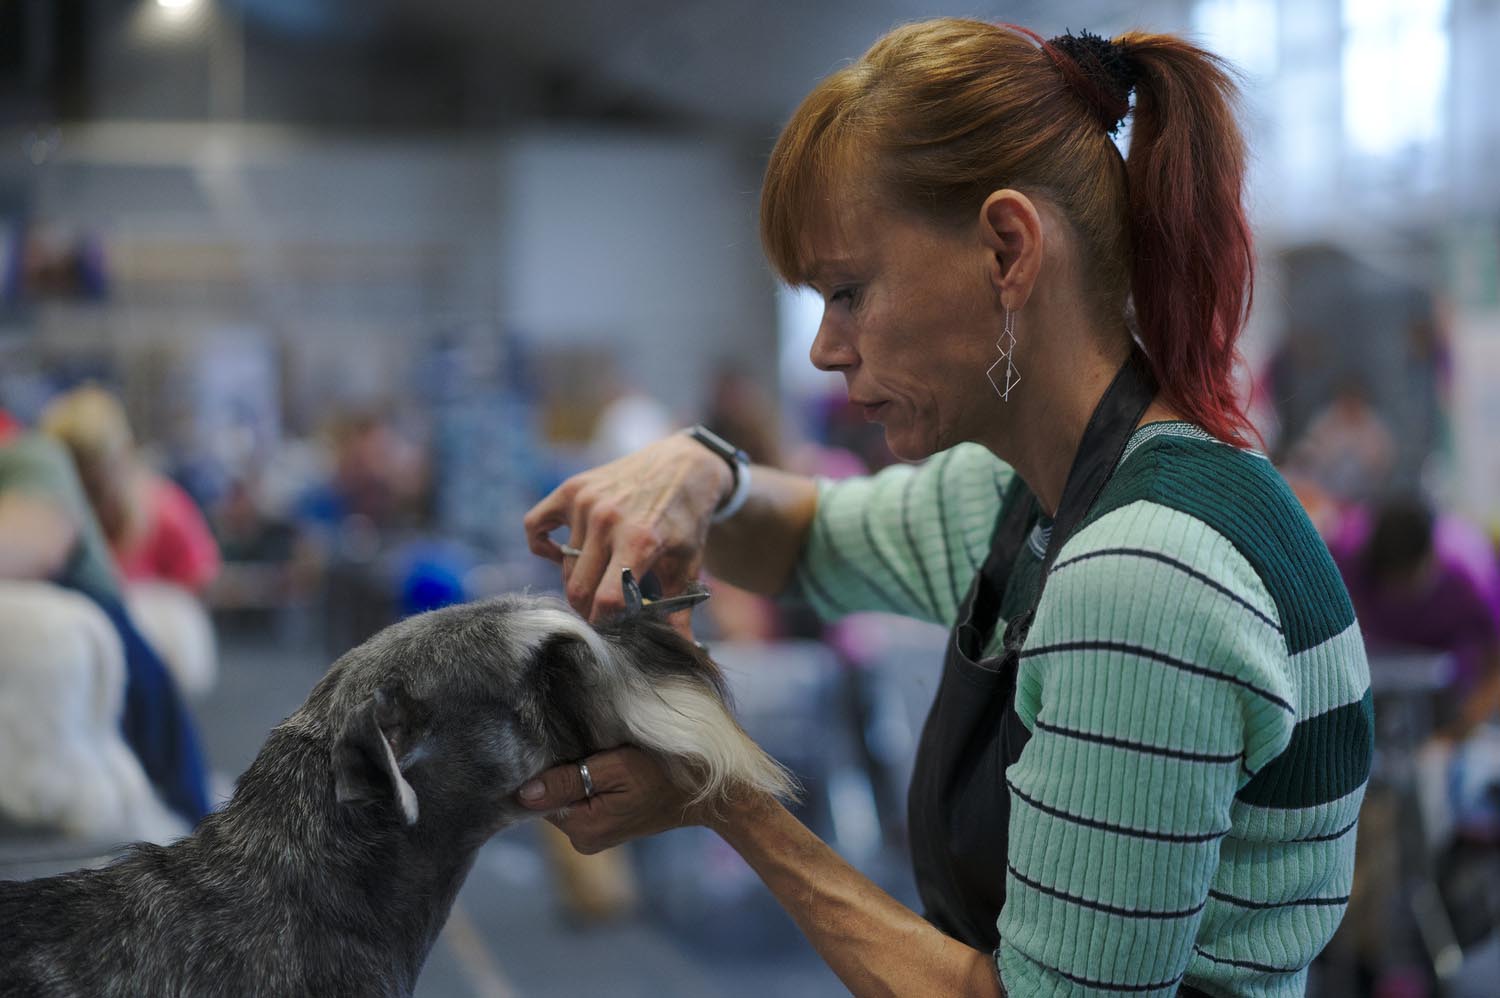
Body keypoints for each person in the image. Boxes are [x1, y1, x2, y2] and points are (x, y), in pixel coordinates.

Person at [519, 20, 1370, 996]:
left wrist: (731, 799)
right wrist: (705, 472)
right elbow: (814, 542)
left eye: (848, 291)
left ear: (1008, 250)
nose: (824, 349)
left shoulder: (1140, 576)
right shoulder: (1036, 487)